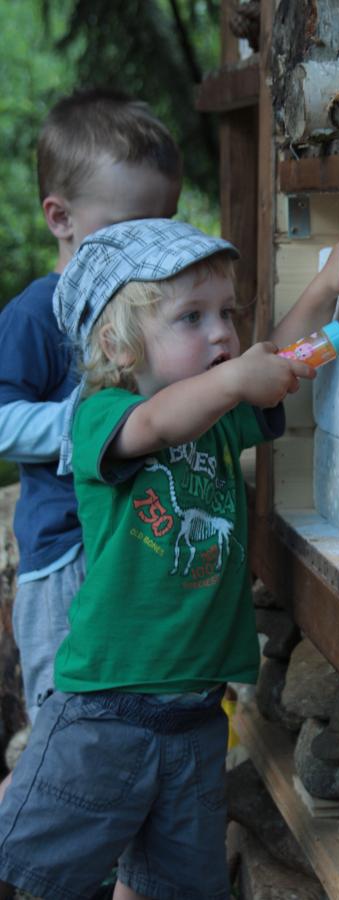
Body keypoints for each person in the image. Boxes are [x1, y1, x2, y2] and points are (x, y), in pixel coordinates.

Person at [0, 217, 339, 900]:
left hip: (193, 722)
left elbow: (278, 363)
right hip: (106, 714)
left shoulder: (220, 416)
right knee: (23, 870)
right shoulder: (101, 415)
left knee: (177, 889)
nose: (222, 333)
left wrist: (331, 281)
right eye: (192, 317)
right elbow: (160, 424)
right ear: (118, 347)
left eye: (227, 313)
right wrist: (238, 379)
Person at [0, 88, 182, 731]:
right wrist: (86, 427)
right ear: (60, 218)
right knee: (69, 730)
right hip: (65, 558)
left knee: (129, 723)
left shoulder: (150, 312)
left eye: (157, 229)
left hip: (136, 547)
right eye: (123, 231)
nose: (140, 251)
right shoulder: (40, 312)